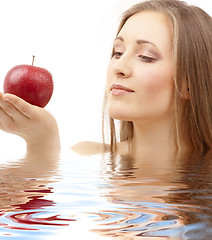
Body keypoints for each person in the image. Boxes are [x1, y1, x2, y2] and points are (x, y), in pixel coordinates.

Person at [0, 0, 212, 161]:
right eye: (118, 53)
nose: (119, 67)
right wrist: (41, 143)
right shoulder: (85, 156)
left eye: (146, 57)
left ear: (189, 84)